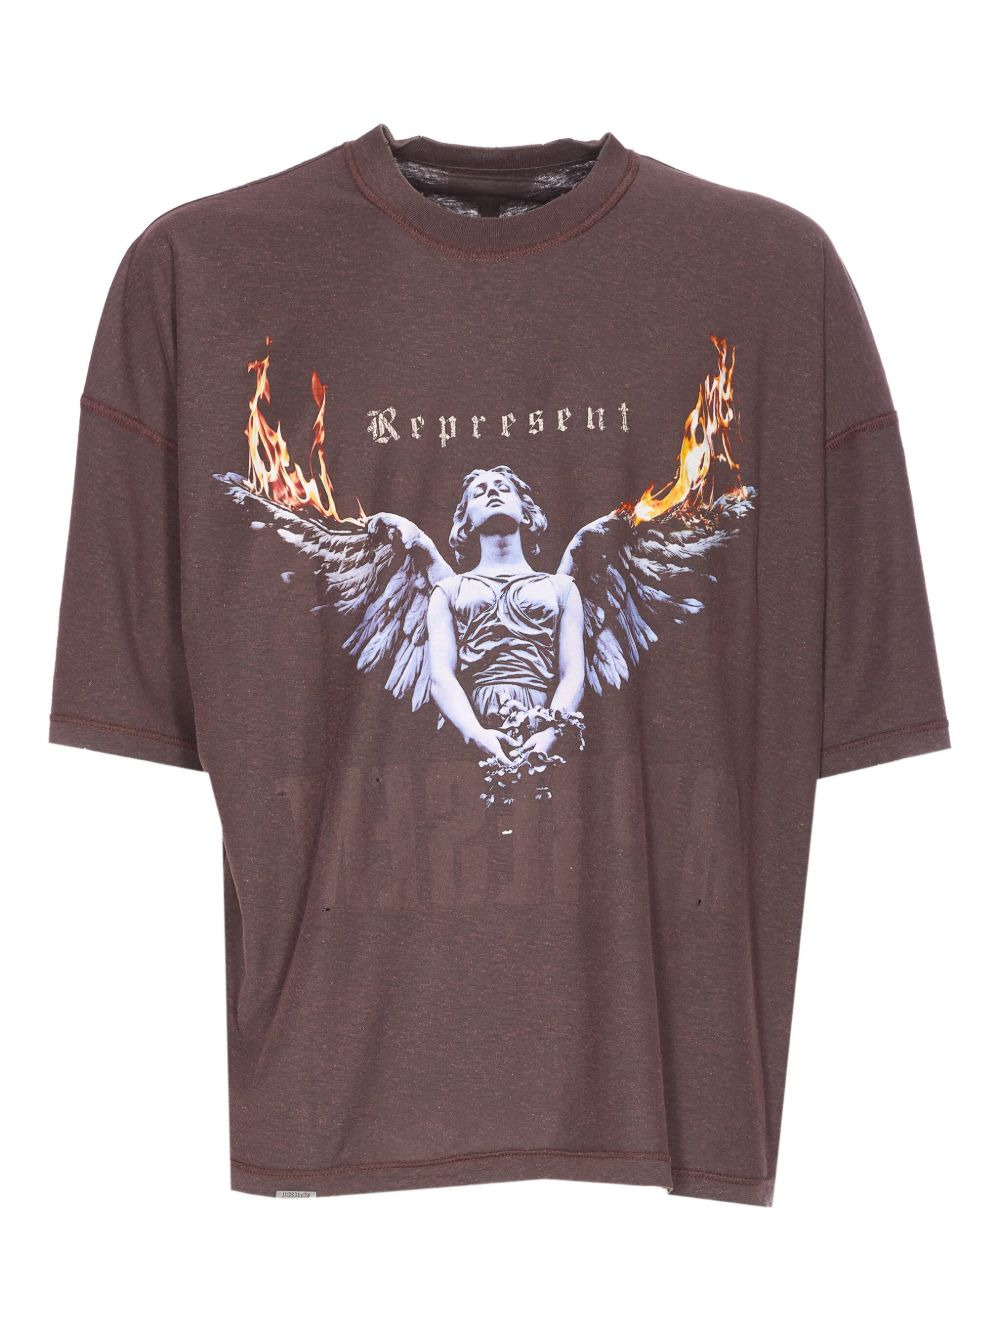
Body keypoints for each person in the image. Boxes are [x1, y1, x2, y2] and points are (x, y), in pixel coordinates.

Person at [421, 466, 585, 767]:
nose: (492, 492)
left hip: (545, 727)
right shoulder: (448, 591)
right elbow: (441, 676)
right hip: (470, 729)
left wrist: (551, 732)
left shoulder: (562, 588)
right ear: (466, 522)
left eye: (502, 487)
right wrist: (475, 734)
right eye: (479, 492)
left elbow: (573, 673)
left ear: (526, 513)